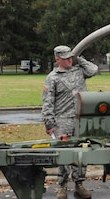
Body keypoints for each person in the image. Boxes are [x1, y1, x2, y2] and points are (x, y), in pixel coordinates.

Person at [41, 45, 98, 199]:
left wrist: (80, 58)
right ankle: (62, 186)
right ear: (57, 59)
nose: (69, 60)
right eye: (65, 58)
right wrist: (49, 123)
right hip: (63, 120)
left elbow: (94, 70)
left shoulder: (79, 70)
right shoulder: (53, 77)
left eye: (71, 57)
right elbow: (47, 102)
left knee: (82, 152)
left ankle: (79, 185)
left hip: (81, 119)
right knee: (64, 155)